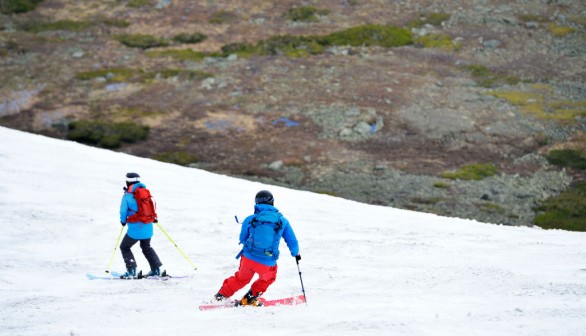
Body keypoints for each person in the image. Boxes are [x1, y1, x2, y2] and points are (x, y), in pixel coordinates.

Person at [214, 190, 301, 306]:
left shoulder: (250, 219)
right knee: (267, 279)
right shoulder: (282, 221)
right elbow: (292, 241)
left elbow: (242, 238)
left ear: (256, 203)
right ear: (272, 202)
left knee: (240, 279)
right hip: (267, 262)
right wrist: (296, 254)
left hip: (248, 258)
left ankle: (220, 296)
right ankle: (249, 298)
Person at [119, 172, 163, 279]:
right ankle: (156, 269)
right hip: (148, 226)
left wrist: (123, 221)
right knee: (146, 247)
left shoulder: (127, 196)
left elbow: (123, 211)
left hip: (135, 228)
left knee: (124, 247)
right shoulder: (146, 192)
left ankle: (132, 271)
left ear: (128, 181)